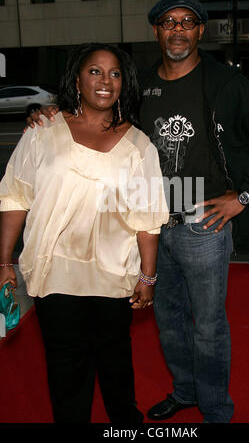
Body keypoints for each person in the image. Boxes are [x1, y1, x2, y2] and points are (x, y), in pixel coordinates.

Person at [25, 0, 249, 424]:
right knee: (167, 321)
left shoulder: (225, 83)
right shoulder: (140, 85)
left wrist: (242, 196)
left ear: (200, 31)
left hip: (202, 226)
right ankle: (185, 391)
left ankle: (215, 409)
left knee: (207, 326)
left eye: (187, 22)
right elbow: (101, 113)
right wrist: (54, 111)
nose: (178, 30)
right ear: (156, 30)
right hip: (147, 228)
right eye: (169, 22)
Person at [0, 42, 168, 424]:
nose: (105, 81)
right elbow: (14, 195)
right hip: (55, 272)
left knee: (115, 364)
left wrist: (148, 275)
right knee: (65, 370)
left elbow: (147, 219)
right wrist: (4, 260)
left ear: (124, 83)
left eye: (114, 73)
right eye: (95, 71)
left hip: (112, 275)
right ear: (78, 79)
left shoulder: (139, 147)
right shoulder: (42, 131)